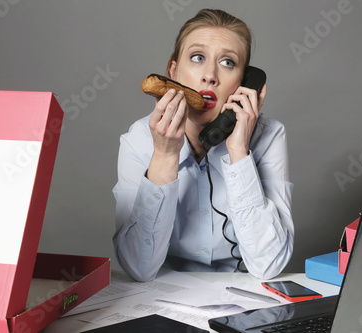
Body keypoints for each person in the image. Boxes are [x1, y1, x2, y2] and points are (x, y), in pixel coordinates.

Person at [112, 8, 293, 282]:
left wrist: (238, 153)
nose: (210, 76)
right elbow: (139, 267)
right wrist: (164, 156)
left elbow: (269, 265)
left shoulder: (268, 137)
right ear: (173, 71)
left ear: (245, 83)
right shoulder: (138, 140)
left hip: (243, 294)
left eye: (228, 63)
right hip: (163, 295)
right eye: (197, 58)